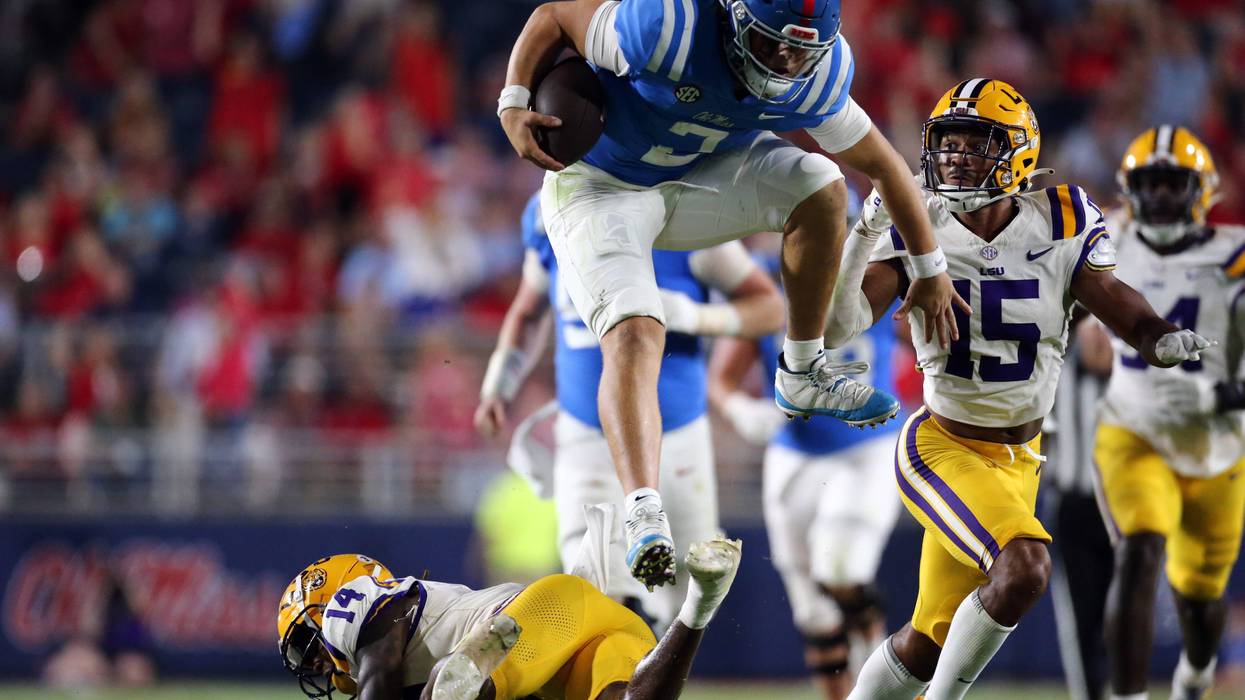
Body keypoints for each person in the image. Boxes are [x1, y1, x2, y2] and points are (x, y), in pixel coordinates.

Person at [498, 0, 964, 590]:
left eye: (802, 50)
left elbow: (886, 166)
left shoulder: (816, 73)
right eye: (773, 44)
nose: (786, 61)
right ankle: (642, 509)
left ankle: (802, 370)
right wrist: (513, 100)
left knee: (823, 186)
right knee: (637, 329)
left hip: (696, 178)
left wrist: (931, 266)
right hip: (600, 186)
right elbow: (553, 15)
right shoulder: (667, 27)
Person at [816, 79, 1213, 700]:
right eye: (947, 144)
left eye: (974, 145)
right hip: (942, 446)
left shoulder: (1061, 218)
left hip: (1021, 459)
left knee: (927, 642)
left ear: (1017, 152)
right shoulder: (919, 219)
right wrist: (865, 232)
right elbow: (840, 325)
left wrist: (1157, 336)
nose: (955, 159)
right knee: (1025, 565)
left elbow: (1114, 299)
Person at [475, 192, 781, 625]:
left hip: (676, 437)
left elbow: (770, 308)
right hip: (587, 435)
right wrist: (498, 384)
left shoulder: (684, 210)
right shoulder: (552, 211)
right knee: (597, 589)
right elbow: (527, 313)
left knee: (685, 602)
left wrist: (694, 316)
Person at [1083, 125, 1245, 700]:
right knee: (1139, 548)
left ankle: (1194, 677)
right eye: (1148, 183)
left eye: (1172, 184)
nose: (1158, 196)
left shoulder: (1235, 255)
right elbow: (1079, 333)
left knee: (1200, 599)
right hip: (1134, 430)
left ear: (1201, 190)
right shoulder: (1101, 240)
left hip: (1216, 445)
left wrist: (1226, 394)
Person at [707, 251, 902, 699]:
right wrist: (739, 409)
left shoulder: (878, 273)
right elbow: (722, 377)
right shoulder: (766, 280)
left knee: (843, 569)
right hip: (794, 453)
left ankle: (878, 674)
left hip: (866, 447)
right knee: (813, 613)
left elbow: (932, 334)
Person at [276, 538, 742, 700]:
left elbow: (380, 672)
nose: (313, 664)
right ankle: (702, 601)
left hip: (543, 615)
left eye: (304, 645)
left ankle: (470, 671)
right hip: (570, 648)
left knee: (450, 691)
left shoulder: (356, 607)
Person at [1042, 316, 1114, 700]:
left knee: (1121, 609)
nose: (1100, 338)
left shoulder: (1131, 379)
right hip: (1073, 506)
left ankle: (1123, 690)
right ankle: (1090, 695)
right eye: (1094, 328)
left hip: (1124, 508)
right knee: (1081, 614)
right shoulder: (1057, 374)